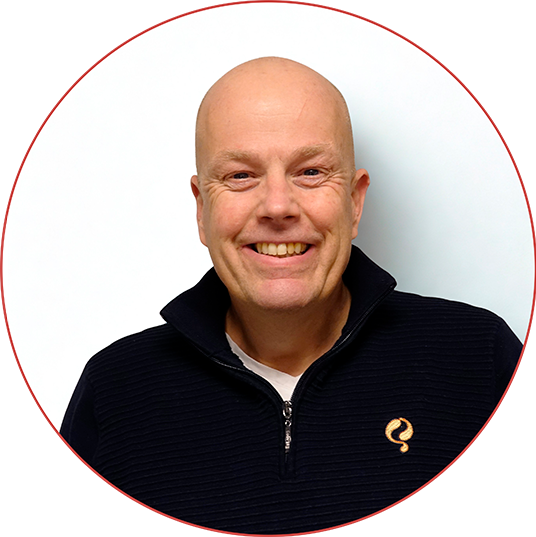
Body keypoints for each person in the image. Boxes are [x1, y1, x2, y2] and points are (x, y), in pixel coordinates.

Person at [38, 57, 534, 535]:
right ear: (202, 210)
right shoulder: (115, 392)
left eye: (310, 172)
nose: (277, 206)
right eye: (240, 176)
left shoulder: (480, 362)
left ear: (354, 201)